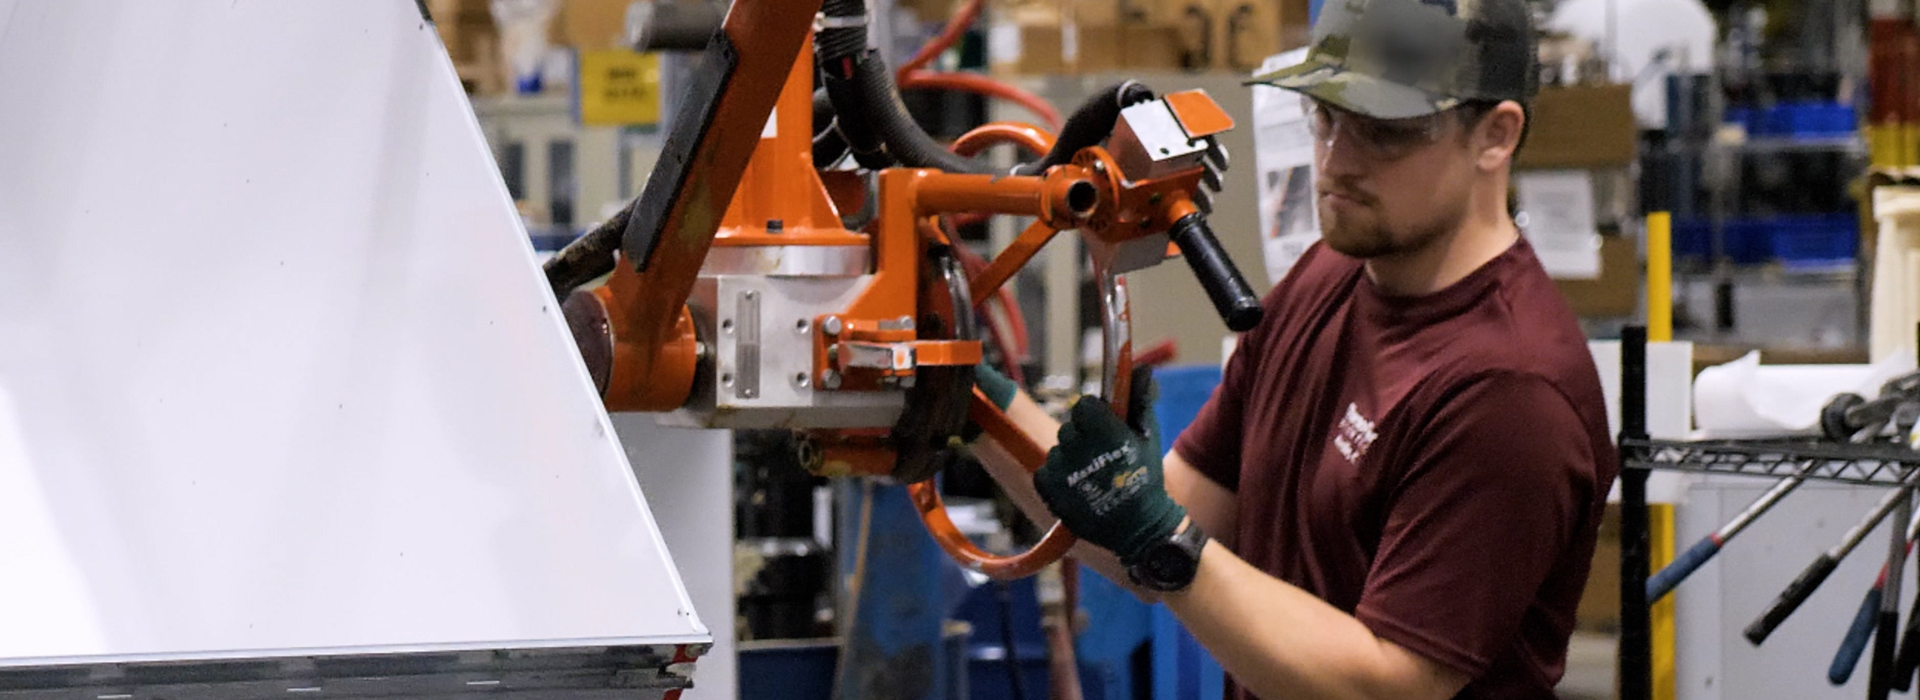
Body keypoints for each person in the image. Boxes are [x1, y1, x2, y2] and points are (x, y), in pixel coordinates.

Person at [967, 0, 1620, 698]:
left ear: (1495, 134)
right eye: (1327, 117)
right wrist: (967, 401)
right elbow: (1149, 530)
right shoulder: (1327, 277)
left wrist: (1164, 539)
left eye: (1383, 130)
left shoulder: (1506, 390)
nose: (1337, 161)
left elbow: (1387, 685)